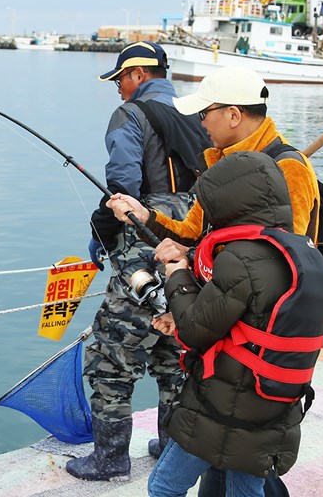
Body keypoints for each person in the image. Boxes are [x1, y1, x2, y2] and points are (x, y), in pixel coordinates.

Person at [144, 151, 323, 497]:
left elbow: (193, 329)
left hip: (222, 407)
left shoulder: (240, 258)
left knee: (163, 487)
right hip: (276, 403)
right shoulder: (305, 253)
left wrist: (177, 274)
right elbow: (255, 323)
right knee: (243, 492)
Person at [68, 41, 211, 481]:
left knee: (112, 353)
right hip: (193, 239)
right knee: (177, 345)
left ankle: (110, 459)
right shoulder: (200, 113)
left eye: (120, 80)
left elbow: (123, 184)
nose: (118, 90)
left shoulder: (130, 115)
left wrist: (102, 232)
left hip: (145, 241)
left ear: (138, 75)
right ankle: (172, 448)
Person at [107, 66, 320, 263]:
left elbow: (282, 259)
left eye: (203, 113)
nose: (201, 123)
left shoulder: (289, 168)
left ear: (233, 115)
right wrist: (145, 216)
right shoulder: (222, 163)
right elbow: (191, 231)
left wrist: (190, 255)